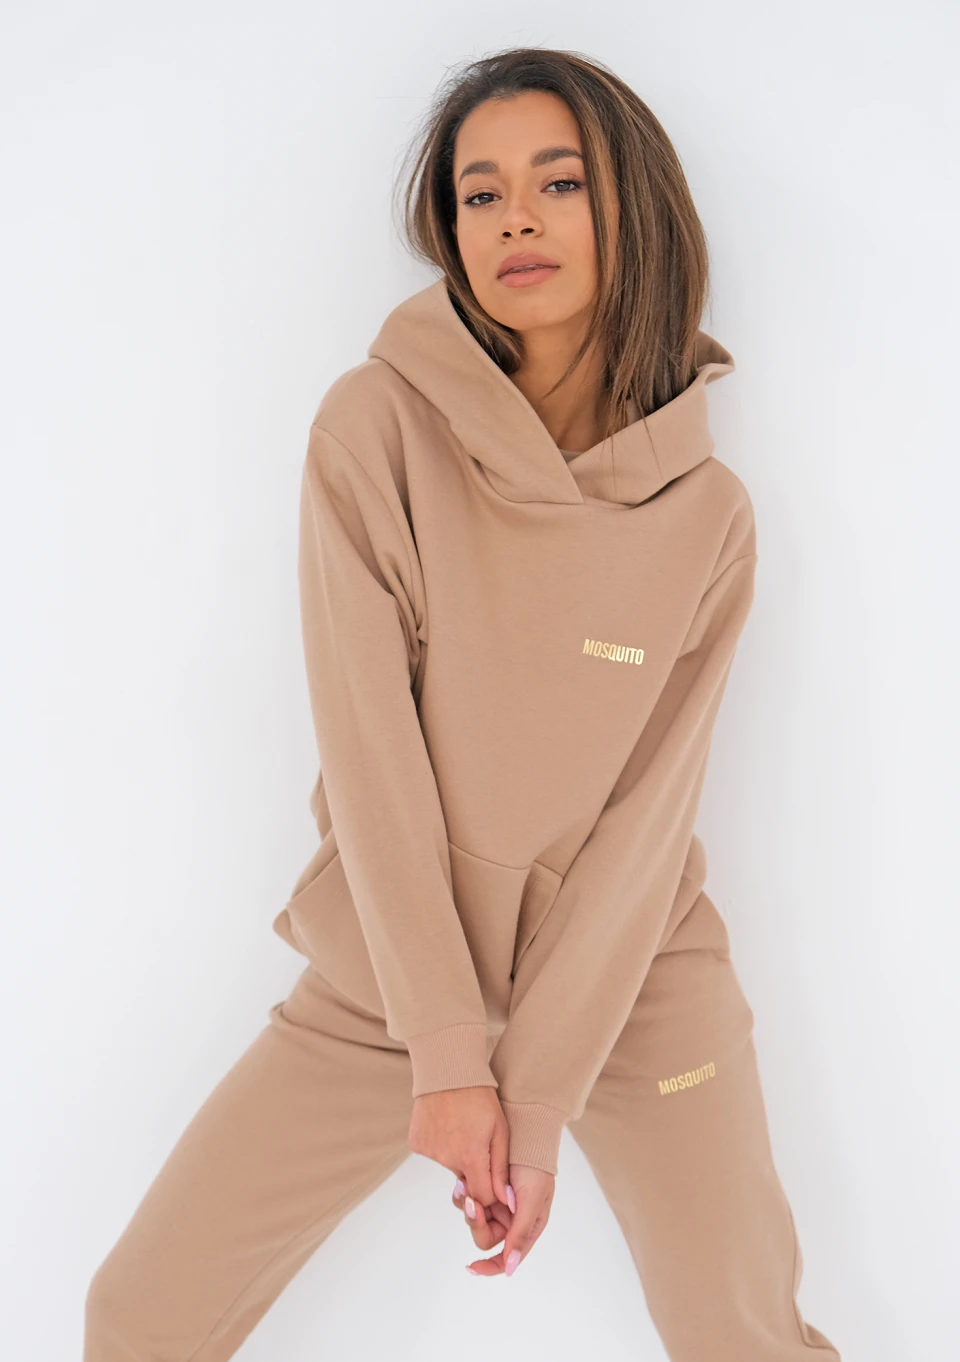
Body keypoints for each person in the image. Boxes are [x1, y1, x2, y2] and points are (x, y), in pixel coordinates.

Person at [83, 46, 843, 1362]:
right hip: (397, 967)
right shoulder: (375, 429)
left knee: (744, 1334)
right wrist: (446, 1051)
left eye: (559, 181)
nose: (515, 220)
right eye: (479, 194)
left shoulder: (710, 517)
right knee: (140, 1314)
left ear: (635, 207)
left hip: (629, 976)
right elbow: (370, 756)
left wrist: (534, 1101)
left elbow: (645, 825)